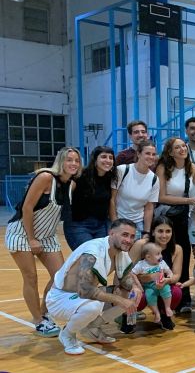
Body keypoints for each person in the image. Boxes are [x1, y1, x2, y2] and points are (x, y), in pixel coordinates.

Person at [5, 146, 81, 337]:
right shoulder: (46, 178)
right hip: (22, 232)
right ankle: (38, 320)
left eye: (76, 161)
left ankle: (44, 313)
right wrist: (31, 239)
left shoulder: (71, 185)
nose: (73, 163)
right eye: (69, 160)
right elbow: (27, 208)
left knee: (60, 277)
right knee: (31, 277)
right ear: (60, 162)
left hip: (47, 236)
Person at [45, 219, 140, 355]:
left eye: (132, 236)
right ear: (111, 233)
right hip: (61, 298)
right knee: (93, 306)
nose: (129, 240)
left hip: (80, 297)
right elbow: (84, 290)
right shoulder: (92, 252)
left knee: (129, 296)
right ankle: (67, 334)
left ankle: (92, 328)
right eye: (124, 235)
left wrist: (135, 289)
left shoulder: (120, 253)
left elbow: (125, 281)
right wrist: (120, 300)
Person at [155, 136, 195, 310]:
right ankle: (165, 296)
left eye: (184, 146)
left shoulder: (191, 167)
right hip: (166, 217)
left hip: (183, 218)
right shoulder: (163, 168)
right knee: (166, 256)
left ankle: (183, 297)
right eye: (177, 147)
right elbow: (161, 197)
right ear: (170, 152)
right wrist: (188, 201)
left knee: (183, 256)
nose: (183, 149)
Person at [129, 216, 183, 331]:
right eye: (160, 231)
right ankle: (128, 318)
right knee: (135, 295)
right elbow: (127, 272)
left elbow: (176, 275)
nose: (164, 235)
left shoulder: (177, 249)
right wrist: (148, 278)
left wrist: (167, 280)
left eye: (168, 231)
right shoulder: (141, 245)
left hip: (161, 285)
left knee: (176, 292)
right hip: (142, 286)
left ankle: (164, 315)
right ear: (153, 232)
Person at [66, 146, 115, 250]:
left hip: (101, 224)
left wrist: (114, 224)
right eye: (103, 157)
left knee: (100, 258)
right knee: (88, 256)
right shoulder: (80, 176)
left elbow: (111, 201)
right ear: (95, 159)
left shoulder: (110, 178)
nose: (108, 160)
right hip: (79, 225)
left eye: (111, 158)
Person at [110, 139, 159, 235]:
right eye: (147, 153)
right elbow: (112, 199)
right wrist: (114, 223)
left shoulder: (154, 179)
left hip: (138, 224)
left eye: (153, 154)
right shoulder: (122, 170)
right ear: (139, 154)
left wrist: (146, 232)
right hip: (118, 220)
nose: (151, 157)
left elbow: (149, 208)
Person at [131, 242, 174, 325]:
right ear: (148, 257)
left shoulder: (161, 263)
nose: (161, 256)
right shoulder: (141, 264)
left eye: (160, 253)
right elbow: (132, 273)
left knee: (167, 290)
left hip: (161, 284)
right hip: (149, 286)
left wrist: (169, 276)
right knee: (149, 296)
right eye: (158, 254)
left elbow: (168, 271)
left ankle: (167, 308)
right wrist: (138, 284)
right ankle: (156, 313)